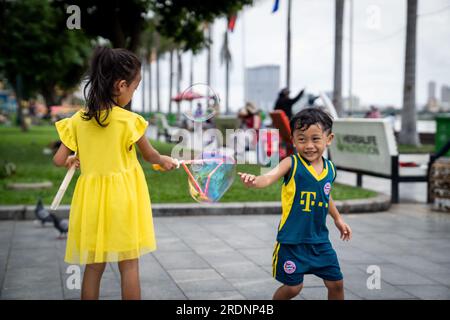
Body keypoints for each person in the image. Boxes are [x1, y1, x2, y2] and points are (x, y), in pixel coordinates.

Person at [52, 47, 177, 300]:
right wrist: (164, 161)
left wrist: (73, 160)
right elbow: (150, 155)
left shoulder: (78, 119)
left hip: (91, 201)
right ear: (121, 86)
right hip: (123, 199)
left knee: (94, 264)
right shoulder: (130, 121)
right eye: (134, 87)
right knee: (129, 264)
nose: (133, 93)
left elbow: (58, 159)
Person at [238, 107, 352, 300]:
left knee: (336, 284)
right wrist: (254, 180)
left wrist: (338, 218)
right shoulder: (291, 163)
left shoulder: (330, 169)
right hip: (292, 242)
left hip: (320, 241)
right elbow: (267, 178)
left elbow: (326, 195)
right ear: (293, 140)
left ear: (329, 139)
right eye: (302, 139)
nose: (309, 145)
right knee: (293, 288)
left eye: (315, 139)